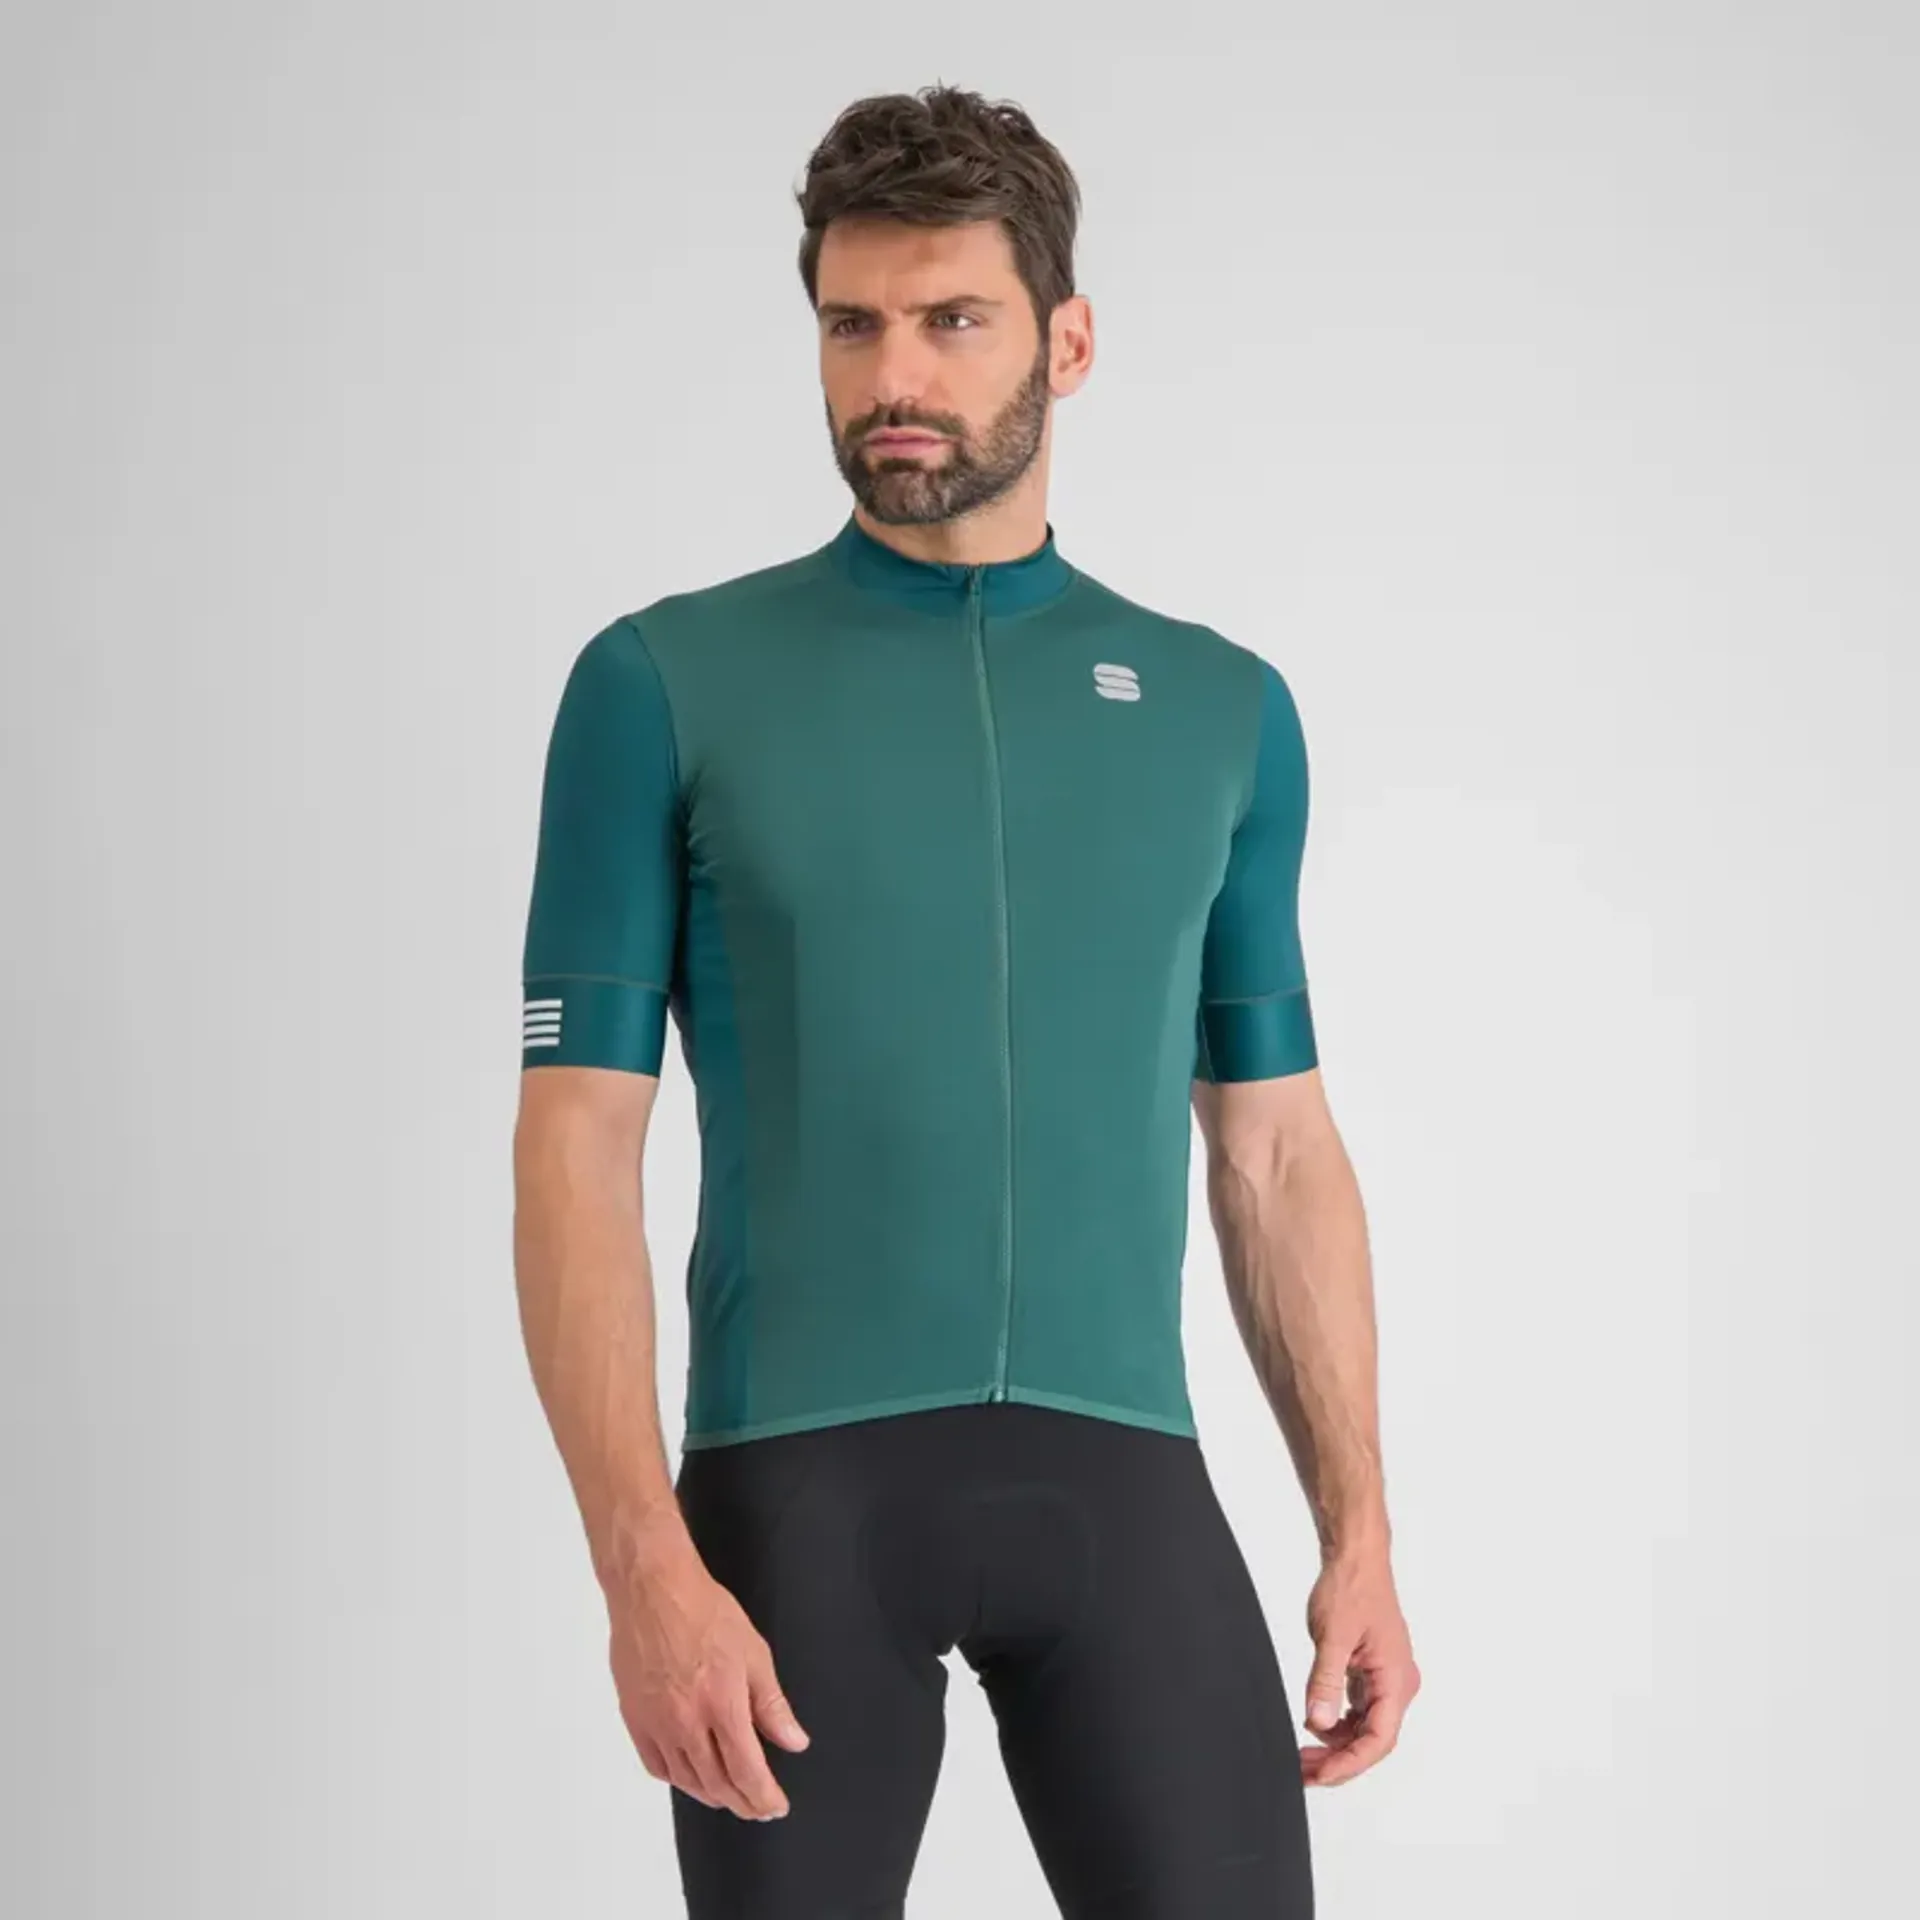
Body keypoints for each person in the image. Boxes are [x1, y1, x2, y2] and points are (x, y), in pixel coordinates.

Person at [511, 82, 1418, 1919]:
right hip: (793, 1514)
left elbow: (1274, 1149)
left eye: (952, 319)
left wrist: (1361, 1528)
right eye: (853, 325)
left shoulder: (1223, 710)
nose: (895, 375)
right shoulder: (664, 683)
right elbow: (574, 1150)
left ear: (1067, 344)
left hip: (1128, 1488)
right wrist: (642, 1569)